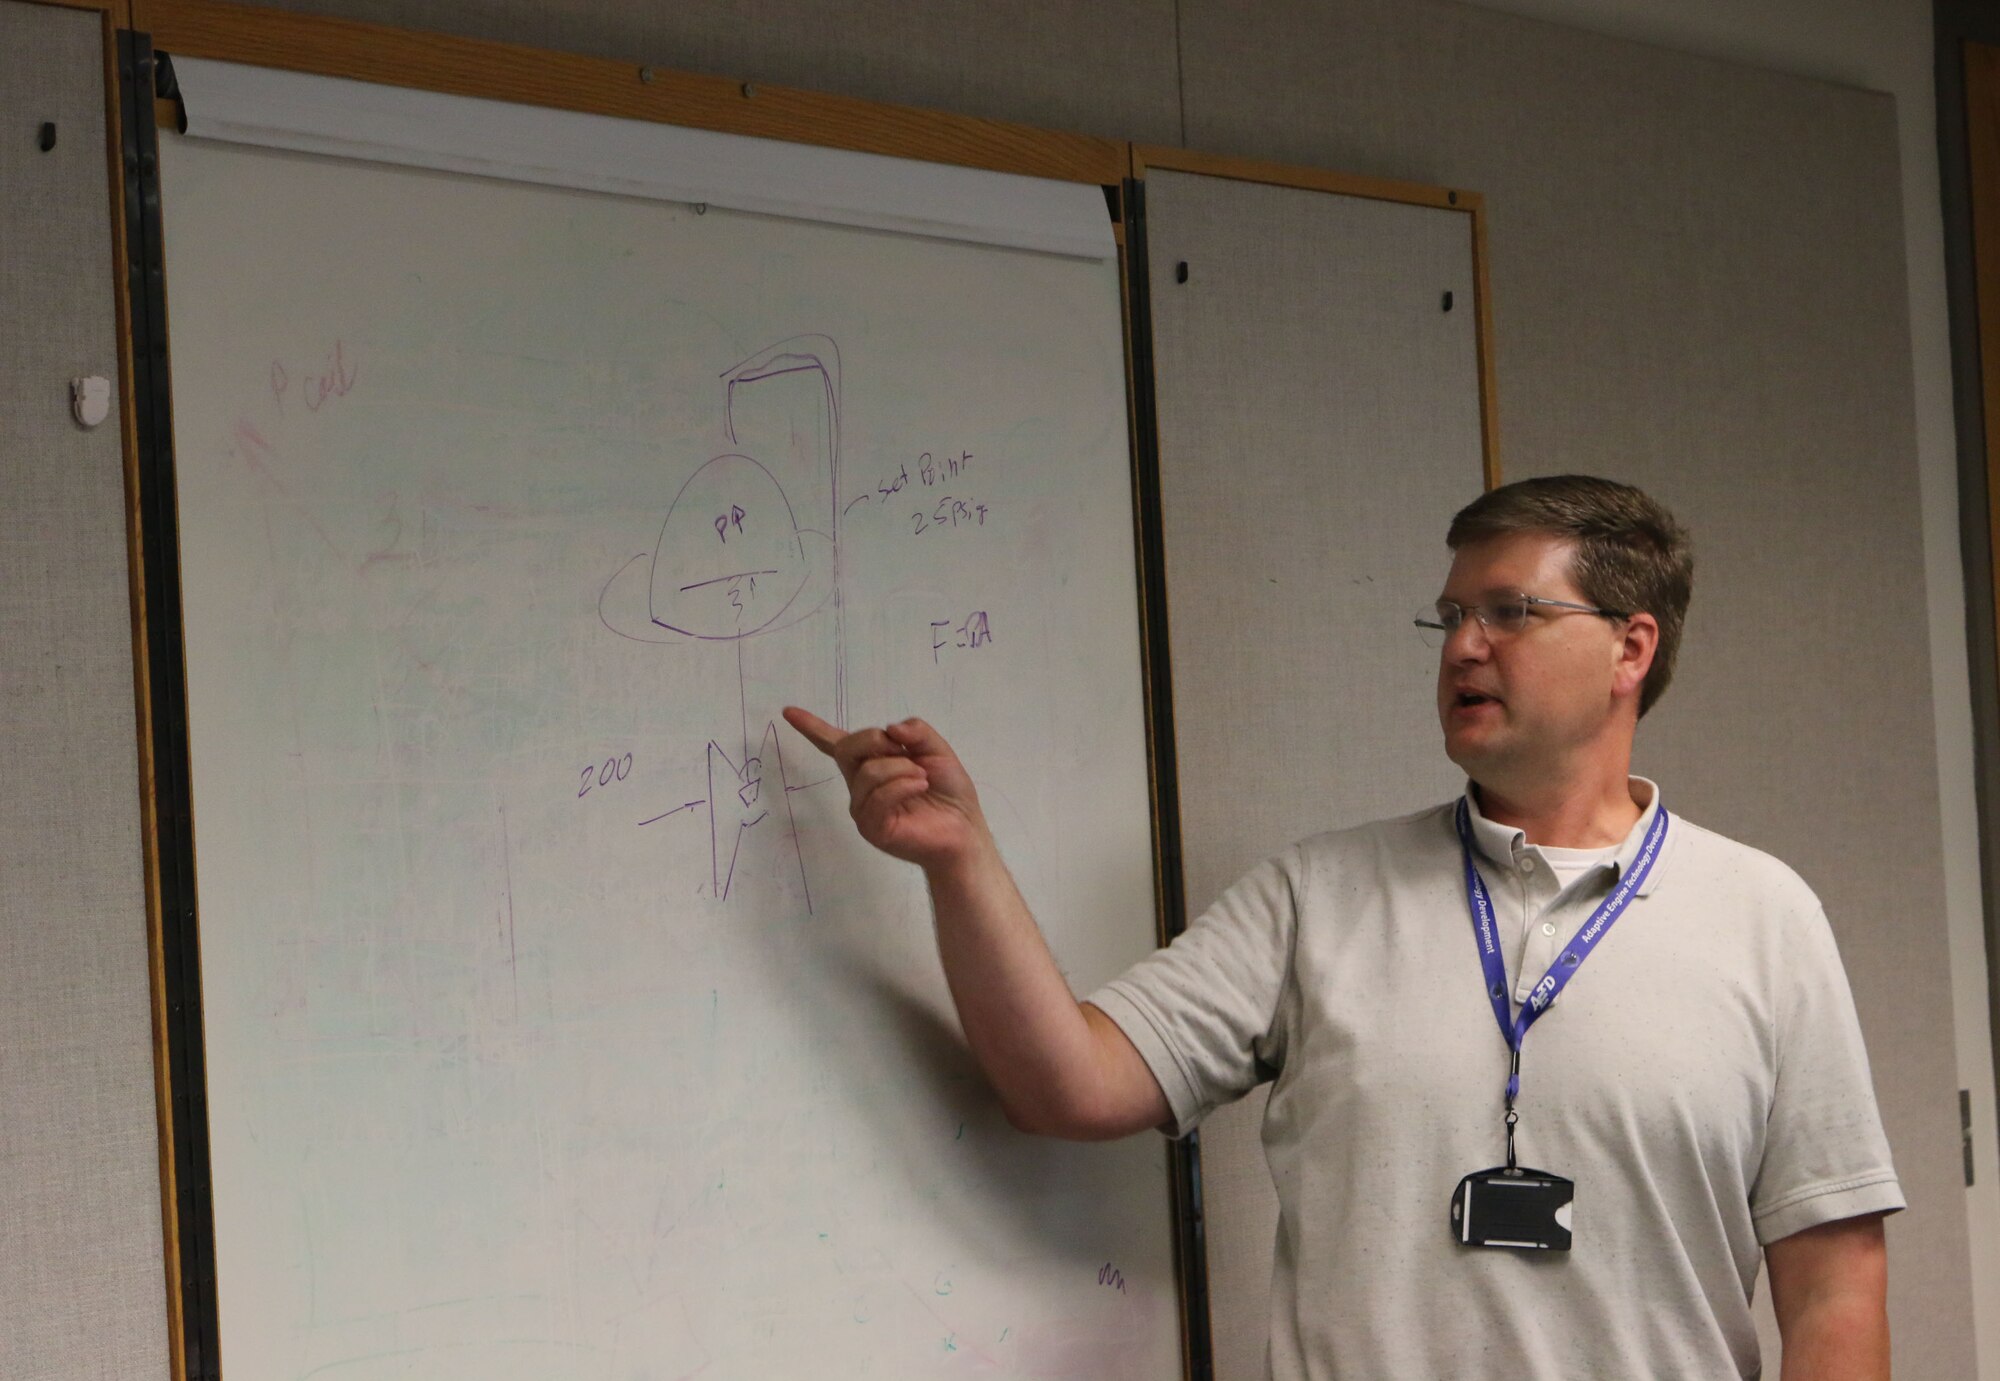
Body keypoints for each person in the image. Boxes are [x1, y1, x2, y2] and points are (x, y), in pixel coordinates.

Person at [783, 474, 1901, 1380]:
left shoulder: (1762, 915)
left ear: (1629, 648)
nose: (1462, 644)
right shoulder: (1317, 896)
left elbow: (1834, 1286)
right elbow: (1066, 1083)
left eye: (1508, 611)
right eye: (1451, 614)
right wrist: (958, 860)